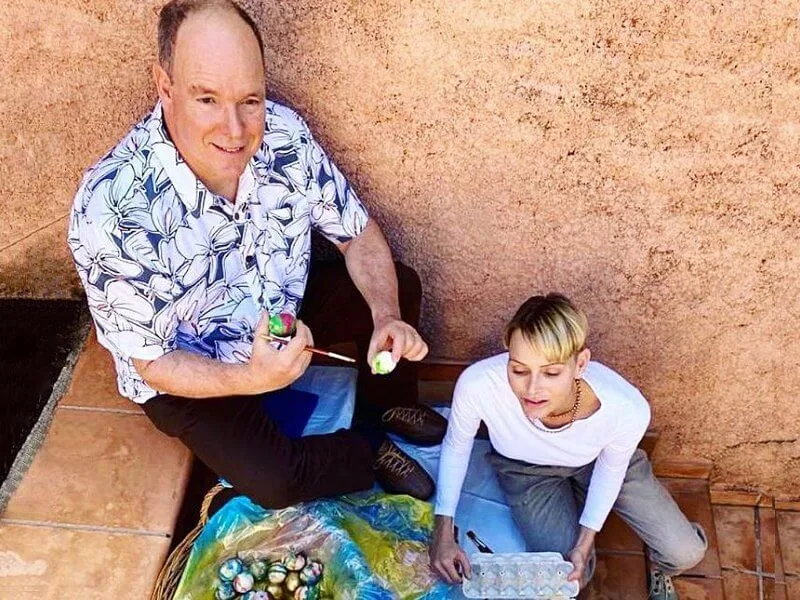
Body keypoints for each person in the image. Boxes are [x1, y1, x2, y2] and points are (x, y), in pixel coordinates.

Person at [67, 0, 447, 508]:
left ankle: (390, 405)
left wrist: (386, 316)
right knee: (276, 481)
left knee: (399, 283)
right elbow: (154, 362)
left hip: (281, 311)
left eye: (250, 100)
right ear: (165, 87)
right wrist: (251, 378)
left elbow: (356, 234)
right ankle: (368, 450)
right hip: (195, 364)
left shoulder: (283, 134)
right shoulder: (110, 208)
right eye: (207, 100)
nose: (236, 131)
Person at [429, 293, 708, 600]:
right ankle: (572, 505)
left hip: (600, 461)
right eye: (519, 370)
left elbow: (611, 469)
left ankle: (658, 564)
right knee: (568, 576)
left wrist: (585, 539)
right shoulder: (478, 384)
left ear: (580, 364)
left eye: (551, 373)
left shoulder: (626, 407)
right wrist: (443, 531)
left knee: (684, 552)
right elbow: (456, 446)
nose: (533, 389)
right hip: (527, 471)